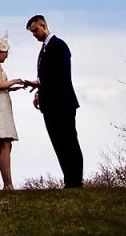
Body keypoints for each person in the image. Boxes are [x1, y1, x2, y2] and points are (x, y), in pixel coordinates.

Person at [25, 14, 83, 188]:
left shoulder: (59, 45)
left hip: (63, 103)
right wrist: (39, 94)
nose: (34, 34)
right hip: (49, 105)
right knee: (58, 142)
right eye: (32, 32)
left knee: (69, 140)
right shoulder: (43, 50)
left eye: (35, 30)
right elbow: (45, 76)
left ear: (43, 25)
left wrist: (39, 83)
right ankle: (69, 180)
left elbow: (62, 74)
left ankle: (76, 180)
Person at [0, 36, 33, 189]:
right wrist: (15, 80)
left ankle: (7, 183)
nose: (7, 56)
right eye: (5, 52)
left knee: (6, 144)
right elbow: (0, 84)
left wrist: (14, 87)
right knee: (5, 143)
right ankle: (8, 184)